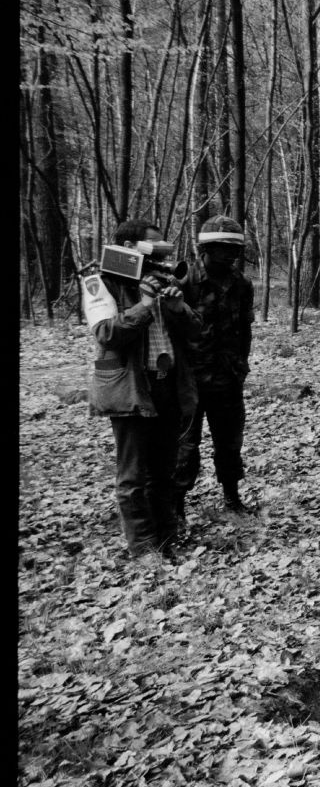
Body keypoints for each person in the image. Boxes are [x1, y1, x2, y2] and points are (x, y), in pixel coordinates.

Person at [81, 219, 203, 561]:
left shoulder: (162, 284)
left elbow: (197, 332)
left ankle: (165, 540)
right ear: (127, 250)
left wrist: (177, 308)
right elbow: (107, 334)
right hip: (131, 388)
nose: (159, 261)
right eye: (152, 251)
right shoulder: (101, 282)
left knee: (163, 472)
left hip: (167, 387)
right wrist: (146, 304)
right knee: (133, 475)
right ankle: (143, 548)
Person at [175, 215, 255, 516]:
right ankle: (177, 507)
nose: (230, 255)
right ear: (205, 249)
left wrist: (242, 366)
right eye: (223, 248)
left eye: (234, 248)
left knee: (230, 443)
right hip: (189, 382)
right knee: (185, 446)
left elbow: (245, 329)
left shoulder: (241, 284)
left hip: (227, 378)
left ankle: (232, 499)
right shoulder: (184, 281)